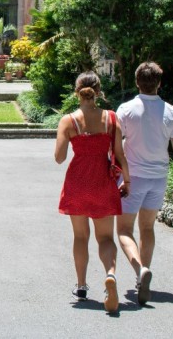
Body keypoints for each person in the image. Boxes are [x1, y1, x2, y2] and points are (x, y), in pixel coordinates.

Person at [55, 71, 130, 313]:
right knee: (106, 238)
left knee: (80, 237)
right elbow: (120, 154)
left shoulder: (69, 120)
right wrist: (126, 180)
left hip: (77, 184)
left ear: (77, 91)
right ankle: (110, 275)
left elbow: (59, 158)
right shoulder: (111, 118)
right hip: (103, 184)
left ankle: (81, 286)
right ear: (98, 91)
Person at [115, 61, 173, 306]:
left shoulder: (125, 110)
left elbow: (114, 146)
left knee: (124, 230)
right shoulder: (171, 112)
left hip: (132, 178)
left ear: (137, 82)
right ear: (159, 83)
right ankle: (144, 270)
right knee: (148, 228)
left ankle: (139, 271)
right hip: (158, 178)